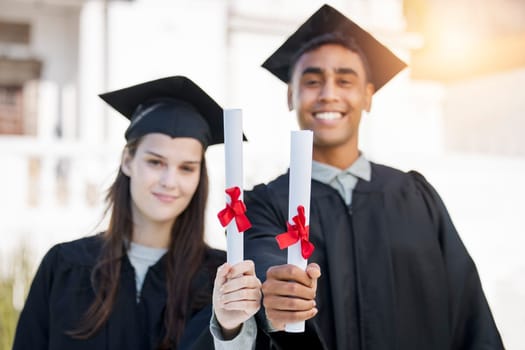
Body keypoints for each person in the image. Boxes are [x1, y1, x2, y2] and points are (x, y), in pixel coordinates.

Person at [244, 4, 504, 350]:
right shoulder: (266, 204)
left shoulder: (415, 196)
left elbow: (471, 314)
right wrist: (274, 293)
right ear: (291, 96)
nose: (329, 93)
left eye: (345, 80)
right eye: (312, 80)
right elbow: (264, 264)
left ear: (368, 96)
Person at [12, 76, 261, 349]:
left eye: (186, 167)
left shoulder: (221, 278)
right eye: (155, 162)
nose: (169, 181)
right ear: (128, 161)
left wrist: (230, 329)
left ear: (199, 176)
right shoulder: (65, 267)